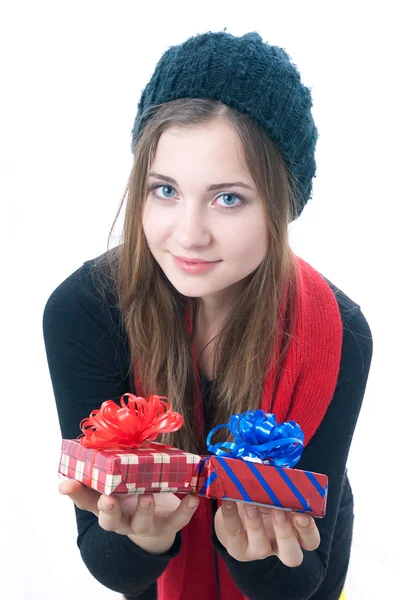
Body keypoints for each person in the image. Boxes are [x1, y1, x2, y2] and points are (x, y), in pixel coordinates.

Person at [43, 31, 373, 600]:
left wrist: (253, 556)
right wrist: (141, 541)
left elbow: (305, 580)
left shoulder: (341, 333)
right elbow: (109, 563)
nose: (189, 235)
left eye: (228, 198)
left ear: (281, 205)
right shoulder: (83, 312)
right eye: (165, 190)